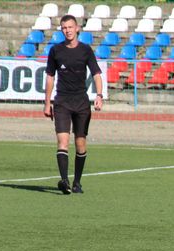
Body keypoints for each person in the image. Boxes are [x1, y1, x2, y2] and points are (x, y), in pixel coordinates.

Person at [44, 14, 103, 195]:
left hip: (81, 103)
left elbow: (96, 74)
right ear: (61, 30)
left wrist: (99, 95)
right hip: (62, 102)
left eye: (70, 27)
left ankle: (77, 182)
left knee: (80, 144)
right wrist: (47, 102)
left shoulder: (85, 50)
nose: (67, 30)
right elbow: (50, 77)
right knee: (62, 141)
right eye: (64, 28)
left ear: (77, 28)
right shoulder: (56, 51)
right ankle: (64, 181)